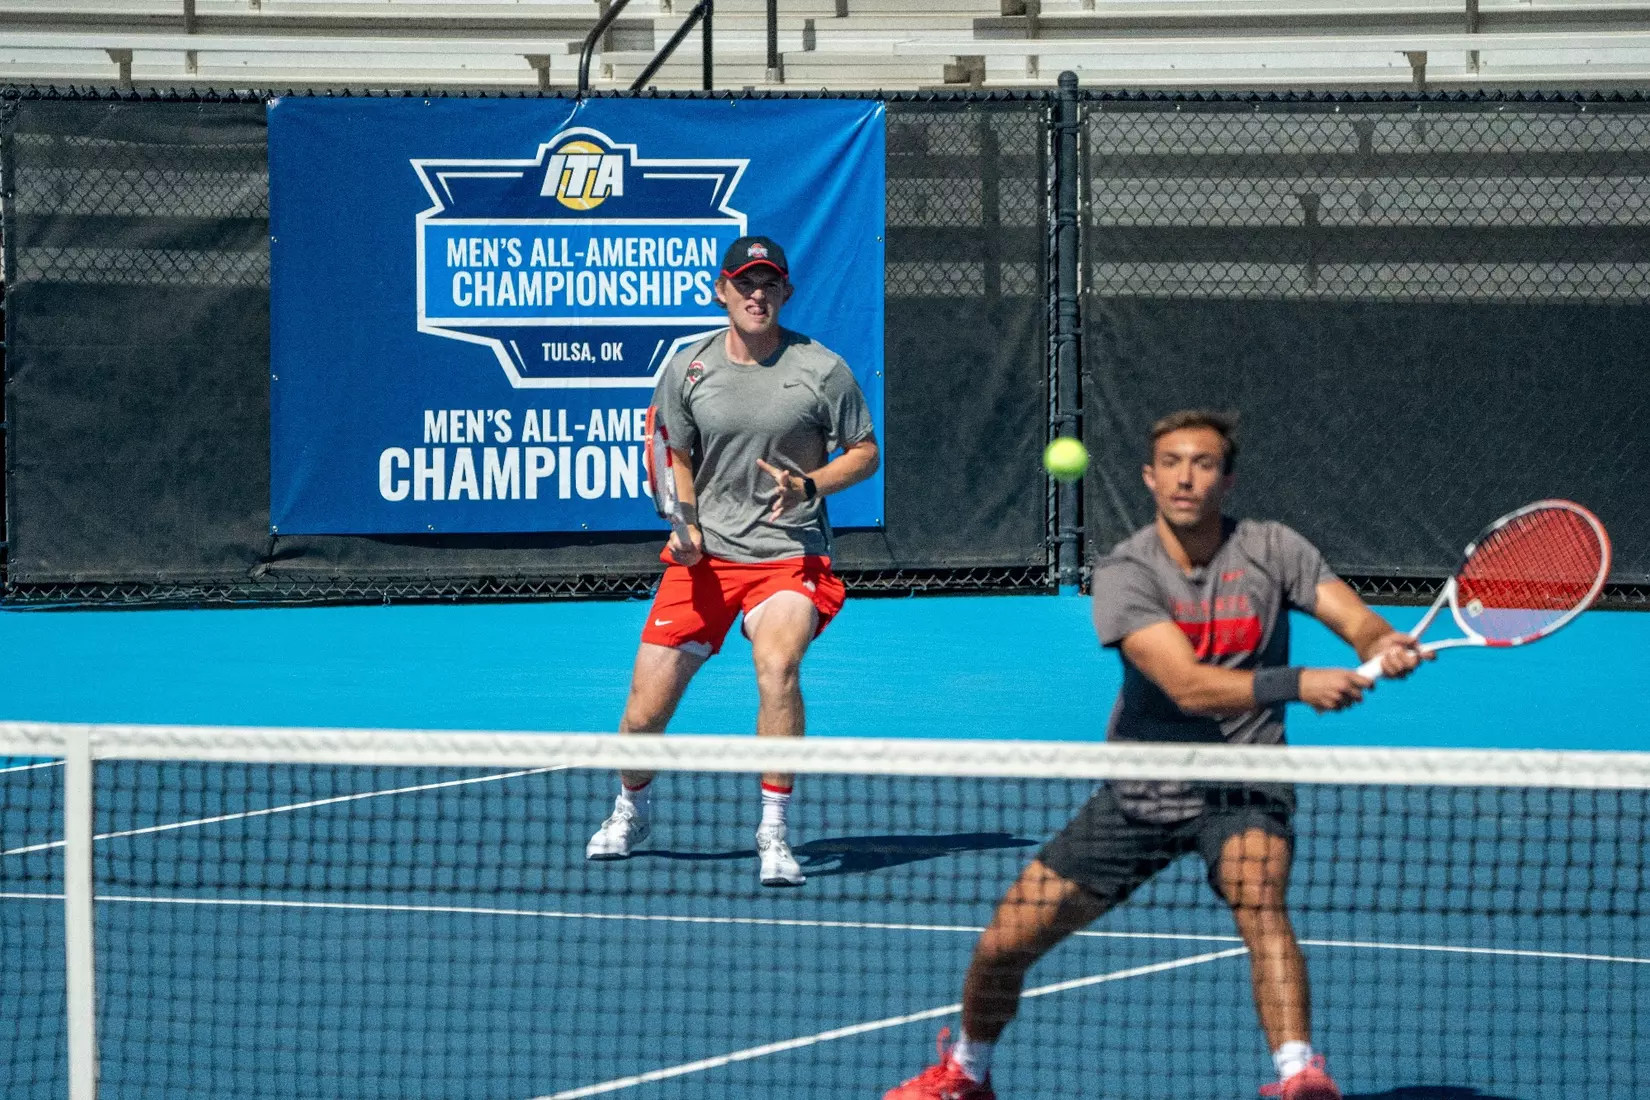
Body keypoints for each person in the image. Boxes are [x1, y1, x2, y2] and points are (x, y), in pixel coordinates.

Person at [884, 409, 1425, 1100]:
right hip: (1143, 789)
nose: (1185, 476)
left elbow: (1353, 616)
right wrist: (1298, 684)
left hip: (1246, 781)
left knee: (1258, 897)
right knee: (1003, 944)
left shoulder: (1273, 547)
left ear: (1227, 479)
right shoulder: (1126, 571)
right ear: (1149, 476)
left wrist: (1378, 642)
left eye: (1202, 463)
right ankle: (966, 1071)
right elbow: (1187, 685)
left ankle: (1300, 1077)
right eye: (1171, 462)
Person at [584, 235, 880, 888]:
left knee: (777, 666)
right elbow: (671, 452)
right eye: (745, 283)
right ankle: (632, 805)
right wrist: (683, 521)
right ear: (721, 291)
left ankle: (773, 829)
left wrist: (809, 486)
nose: (757, 294)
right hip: (704, 562)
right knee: (643, 715)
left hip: (789, 558)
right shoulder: (687, 368)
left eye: (769, 284)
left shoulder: (822, 369)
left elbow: (865, 451)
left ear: (786, 294)